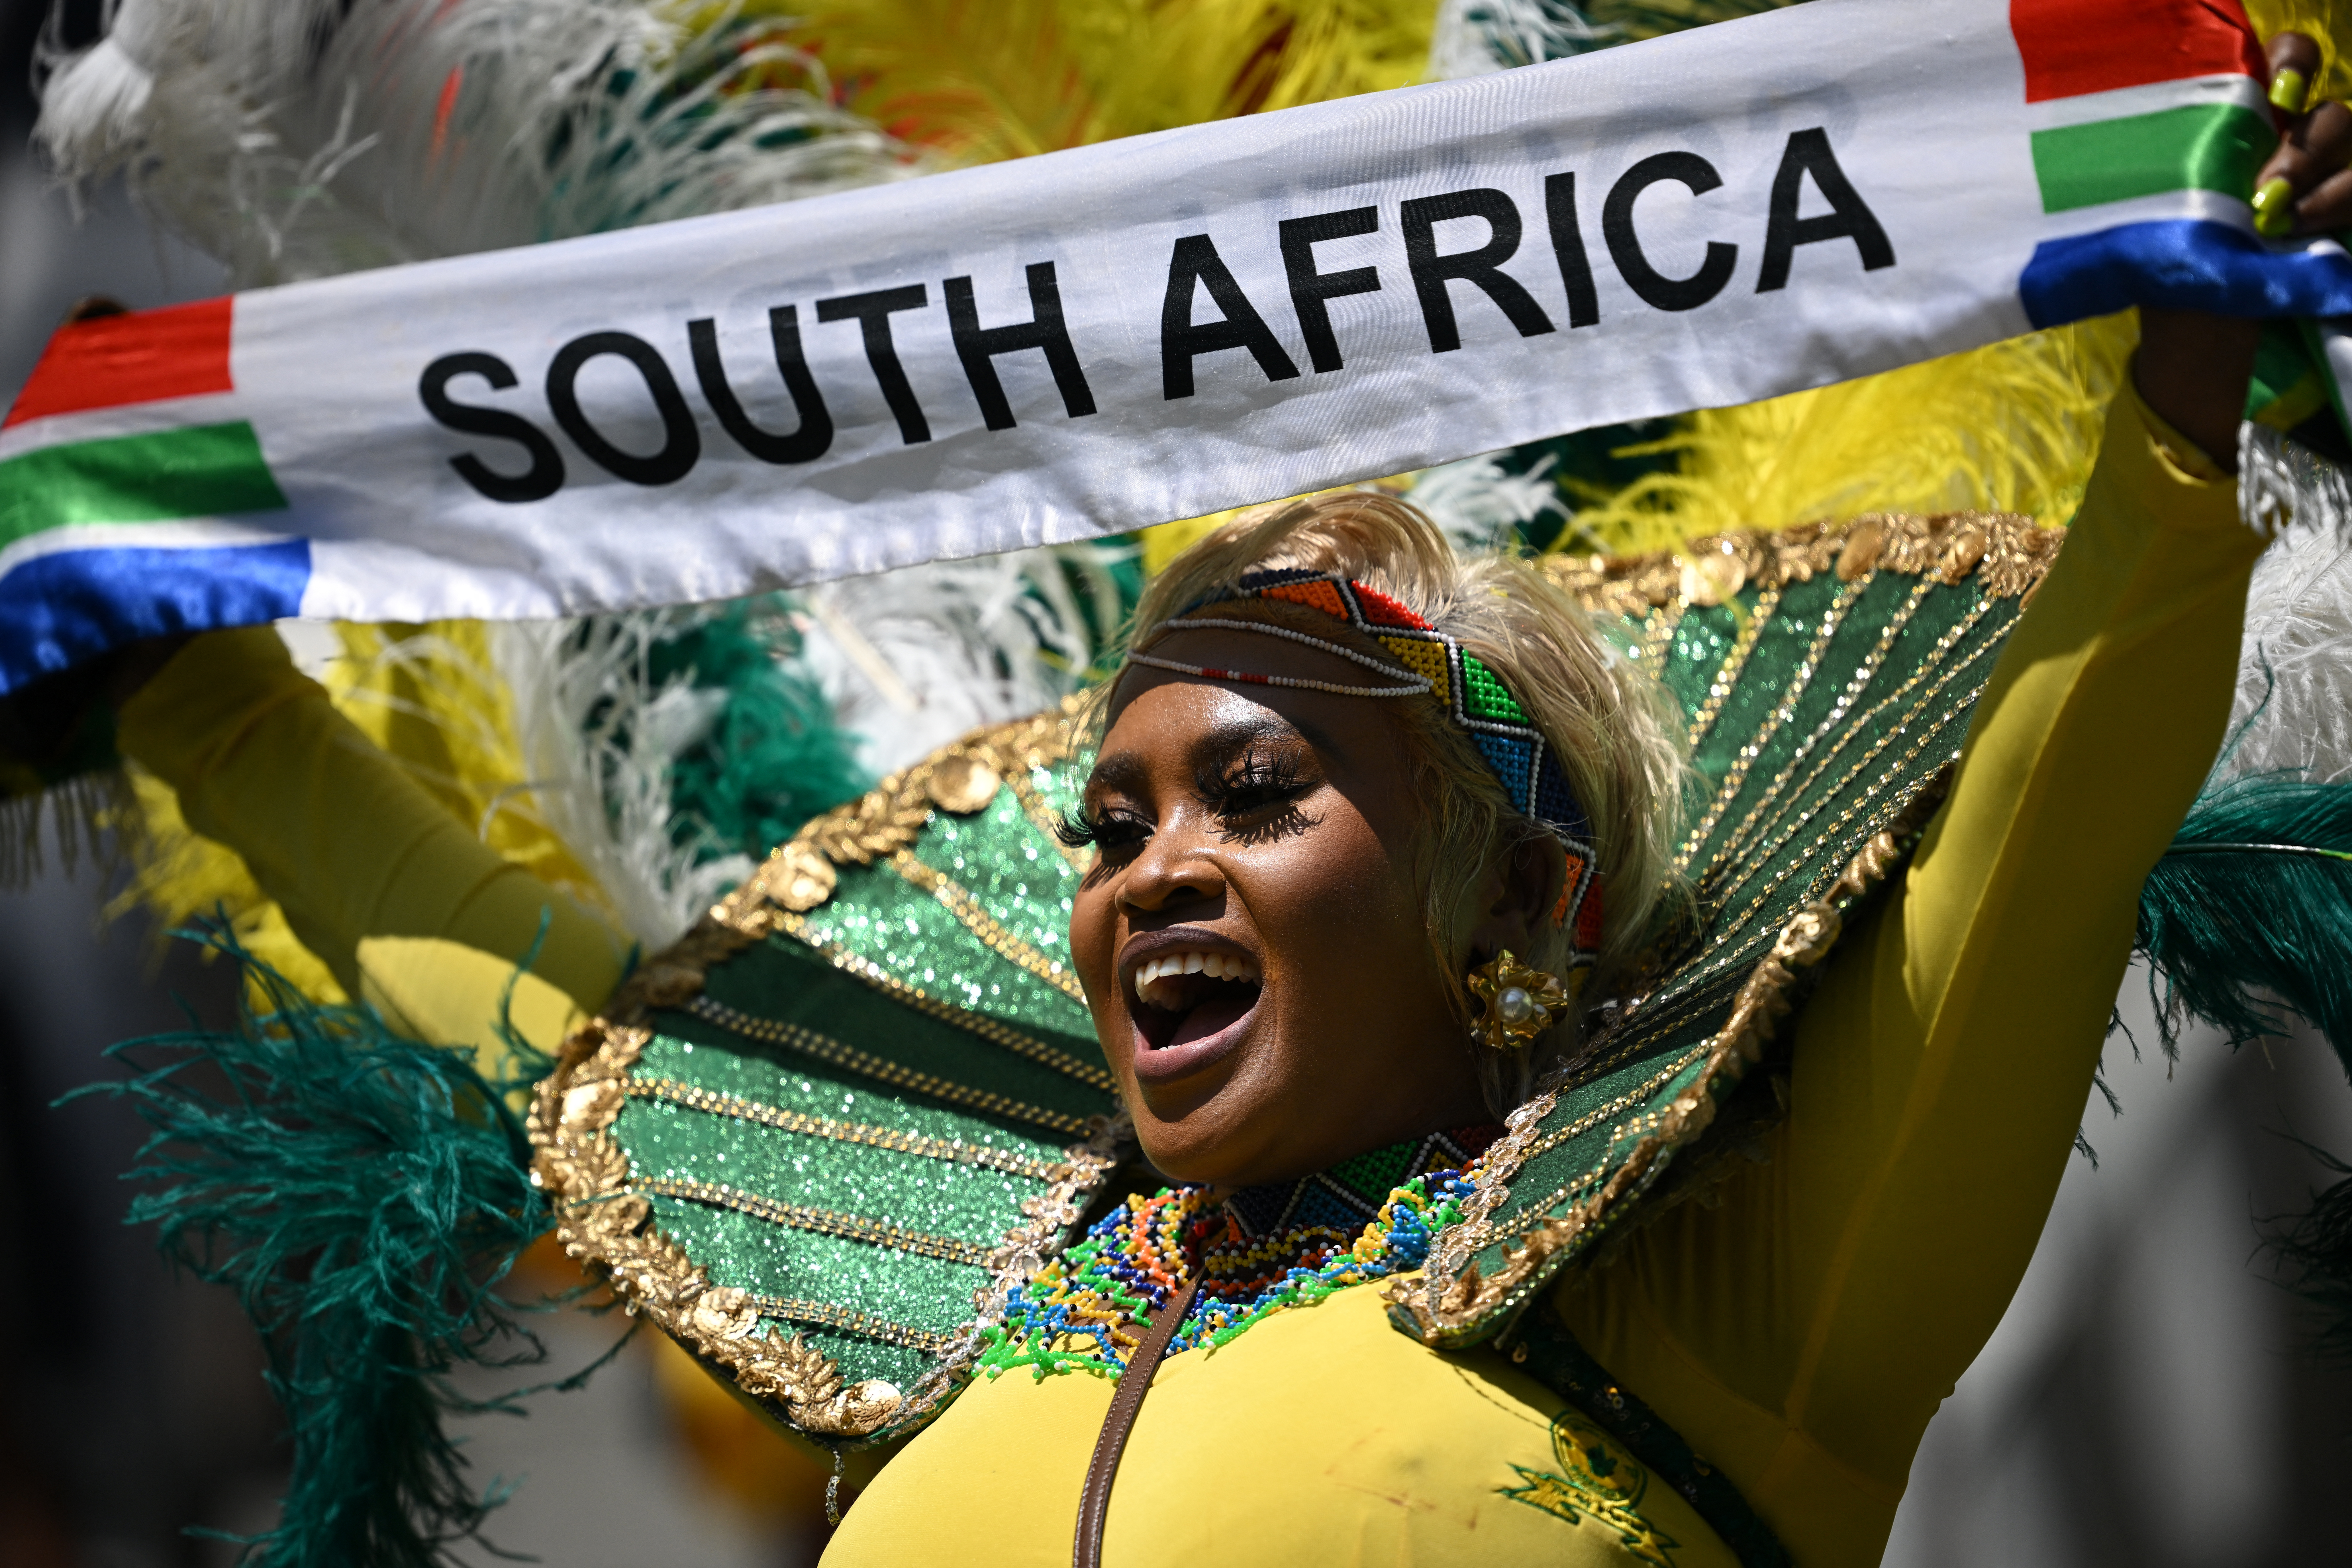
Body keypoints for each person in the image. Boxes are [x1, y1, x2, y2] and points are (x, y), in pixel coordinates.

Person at [85, 26, 2352, 1568]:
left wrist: (2183, 382)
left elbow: (2040, 837)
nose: (1152, 861)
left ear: (1514, 901)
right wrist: (188, 694)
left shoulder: (1713, 1293)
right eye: (1112, 822)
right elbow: (553, 1019)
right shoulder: (951, 1300)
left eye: (1255, 793)